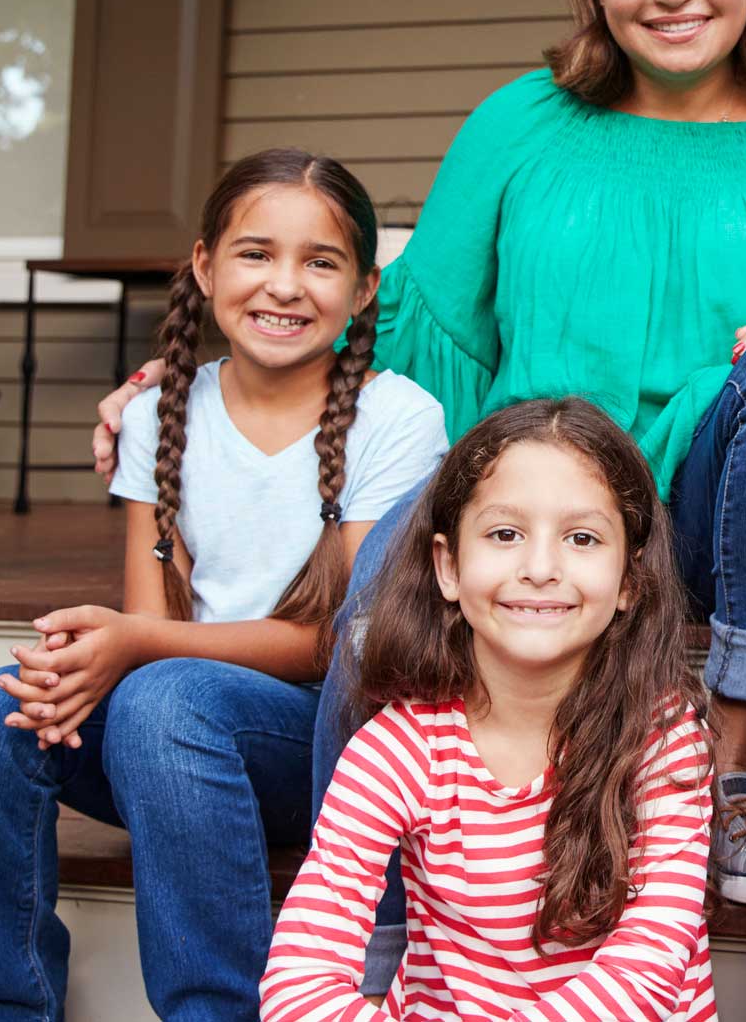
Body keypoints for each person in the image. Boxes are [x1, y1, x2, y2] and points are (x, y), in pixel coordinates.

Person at [95, 0, 746, 916]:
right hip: (527, 502)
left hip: (718, 519)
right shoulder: (521, 122)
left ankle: (736, 758)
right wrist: (196, 381)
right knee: (378, 605)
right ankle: (367, 923)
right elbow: (412, 324)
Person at [0, 149, 449, 1020]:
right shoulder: (158, 412)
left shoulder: (398, 418)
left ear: (364, 291)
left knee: (166, 696)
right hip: (172, 743)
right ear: (205, 266)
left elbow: (343, 643)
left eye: (320, 262)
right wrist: (99, 657)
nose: (283, 285)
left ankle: (217, 1008)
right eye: (255, 254)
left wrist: (137, 646)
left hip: (325, 744)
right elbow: (151, 619)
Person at [260, 398, 715, 1021]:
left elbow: (650, 961)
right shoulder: (396, 750)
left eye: (582, 538)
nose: (539, 569)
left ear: (629, 582)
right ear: (448, 566)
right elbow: (300, 976)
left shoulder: (660, 740)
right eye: (505, 534)